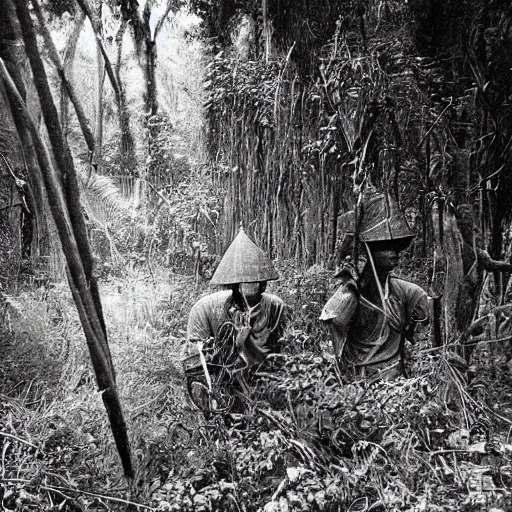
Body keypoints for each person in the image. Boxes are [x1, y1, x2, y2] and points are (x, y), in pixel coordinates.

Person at [320, 192, 429, 381]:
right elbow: (332, 332)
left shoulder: (409, 293)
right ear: (370, 250)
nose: (393, 252)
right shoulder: (351, 294)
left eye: (395, 246)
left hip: (395, 382)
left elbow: (422, 337)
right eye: (385, 246)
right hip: (357, 381)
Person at [187, 227, 287, 371]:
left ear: (263, 286)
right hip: (223, 369)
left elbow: (280, 347)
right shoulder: (205, 308)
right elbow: (197, 357)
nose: (250, 291)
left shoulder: (275, 307)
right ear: (235, 287)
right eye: (244, 286)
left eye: (255, 285)